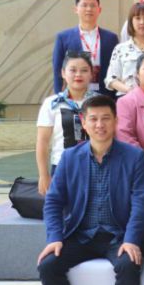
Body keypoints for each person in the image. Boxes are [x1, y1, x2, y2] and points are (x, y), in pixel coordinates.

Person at [37, 95, 144, 285]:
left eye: (106, 118)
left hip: (118, 235)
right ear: (84, 123)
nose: (100, 125)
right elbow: (53, 202)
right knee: (48, 265)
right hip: (81, 234)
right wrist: (55, 238)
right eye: (94, 119)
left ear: (116, 121)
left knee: (129, 263)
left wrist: (131, 239)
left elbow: (141, 203)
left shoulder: (134, 157)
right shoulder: (70, 158)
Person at [36, 52, 96, 195]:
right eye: (73, 70)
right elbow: (42, 141)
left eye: (84, 70)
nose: (78, 74)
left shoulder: (100, 102)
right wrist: (43, 175)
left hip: (96, 166)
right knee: (62, 207)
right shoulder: (51, 103)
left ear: (91, 74)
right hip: (62, 167)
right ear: (63, 73)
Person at [52, 0, 119, 96]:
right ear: (76, 9)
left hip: (105, 95)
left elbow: (117, 69)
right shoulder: (63, 38)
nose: (89, 9)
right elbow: (57, 70)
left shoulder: (111, 38)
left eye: (93, 5)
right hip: (74, 96)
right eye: (84, 5)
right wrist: (59, 97)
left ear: (99, 10)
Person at [105, 2, 144, 96]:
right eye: (138, 18)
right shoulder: (120, 49)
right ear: (131, 22)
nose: (142, 22)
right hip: (126, 97)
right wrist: (130, 90)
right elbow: (111, 79)